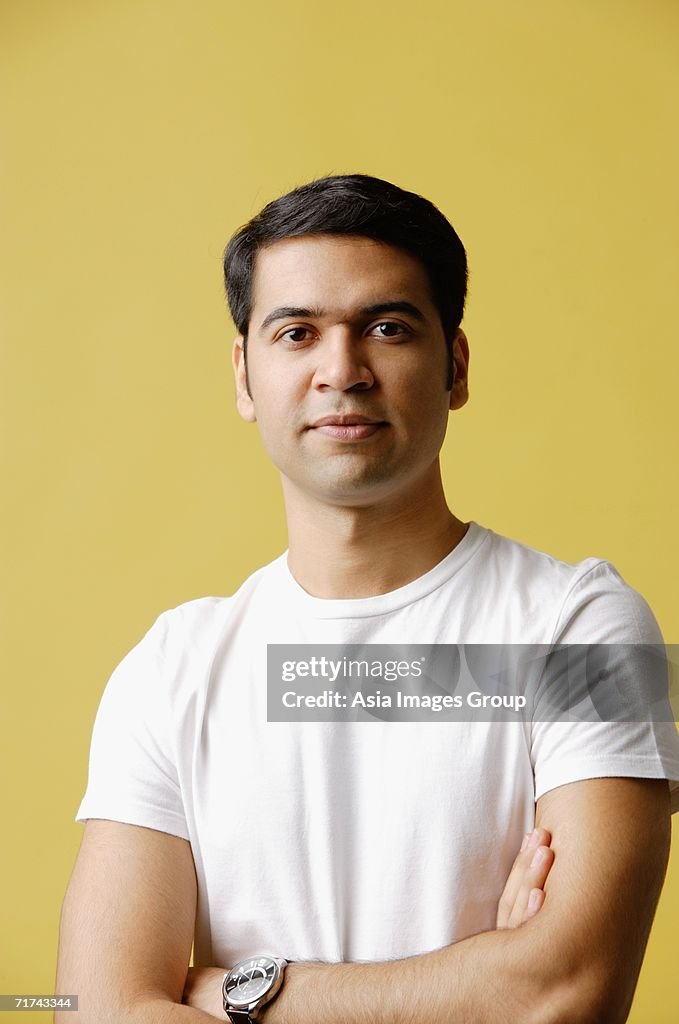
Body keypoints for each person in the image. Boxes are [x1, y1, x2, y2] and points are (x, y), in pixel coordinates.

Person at [56, 174, 679, 1024]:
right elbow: (93, 1012)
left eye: (386, 328)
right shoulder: (169, 668)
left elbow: (563, 992)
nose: (341, 371)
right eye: (296, 332)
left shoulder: (589, 629)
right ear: (245, 375)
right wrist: (477, 981)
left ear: (454, 366)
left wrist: (235, 995)